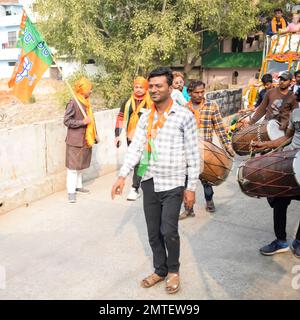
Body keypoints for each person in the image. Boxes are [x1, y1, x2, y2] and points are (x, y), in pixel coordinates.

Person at [111, 67, 200, 294]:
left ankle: (173, 271)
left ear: (171, 88)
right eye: (151, 86)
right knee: (153, 233)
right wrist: (122, 175)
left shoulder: (184, 116)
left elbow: (193, 154)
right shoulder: (146, 117)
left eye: (158, 85)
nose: (153, 90)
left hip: (173, 183)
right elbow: (137, 148)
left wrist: (191, 188)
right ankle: (160, 270)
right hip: (149, 181)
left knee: (168, 230)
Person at [179, 80, 235, 220]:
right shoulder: (184, 109)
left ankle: (209, 202)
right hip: (188, 152)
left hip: (206, 152)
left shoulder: (211, 106)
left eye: (202, 92)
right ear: (189, 93)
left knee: (207, 181)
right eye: (196, 92)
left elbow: (220, 129)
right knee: (186, 183)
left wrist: (227, 147)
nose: (199, 95)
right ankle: (188, 209)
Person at [251, 106, 300, 258]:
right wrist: (265, 145)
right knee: (278, 199)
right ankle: (280, 241)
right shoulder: (297, 112)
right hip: (289, 162)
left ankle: (299, 241)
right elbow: (288, 137)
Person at [114, 76, 152, 201]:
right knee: (136, 161)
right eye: (136, 87)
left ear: (146, 88)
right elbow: (120, 118)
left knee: (146, 161)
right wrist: (117, 135)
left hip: (148, 136)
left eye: (141, 87)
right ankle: (135, 188)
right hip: (131, 136)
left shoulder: (151, 101)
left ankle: (143, 184)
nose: (138, 89)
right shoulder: (127, 102)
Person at [64, 77, 98, 203]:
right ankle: (71, 192)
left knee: (80, 166)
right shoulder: (73, 102)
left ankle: (78, 187)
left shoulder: (86, 102)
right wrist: (82, 122)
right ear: (83, 90)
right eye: (89, 89)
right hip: (75, 140)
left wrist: (95, 135)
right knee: (72, 168)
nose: (91, 92)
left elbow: (92, 121)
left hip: (85, 139)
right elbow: (66, 121)